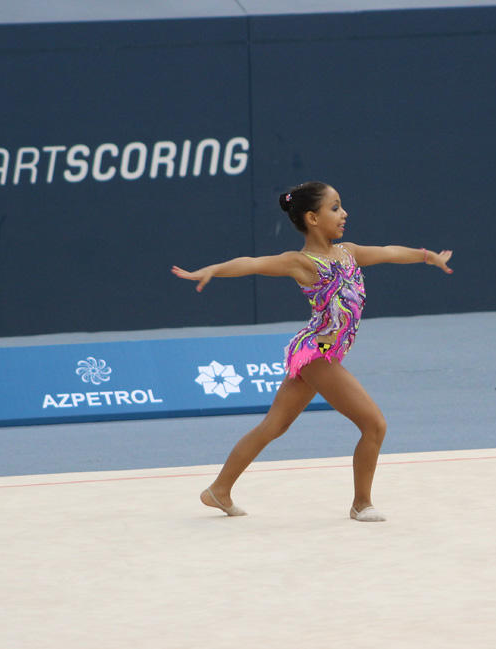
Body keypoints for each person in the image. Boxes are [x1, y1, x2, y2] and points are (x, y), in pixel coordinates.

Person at [171, 181, 453, 522]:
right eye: (335, 207)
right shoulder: (302, 262)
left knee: (273, 426)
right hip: (317, 351)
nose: (344, 213)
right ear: (312, 218)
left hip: (319, 350)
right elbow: (254, 263)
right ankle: (361, 503)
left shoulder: (348, 252)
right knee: (374, 424)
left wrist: (427, 257)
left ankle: (219, 489)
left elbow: (389, 251)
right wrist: (214, 269)